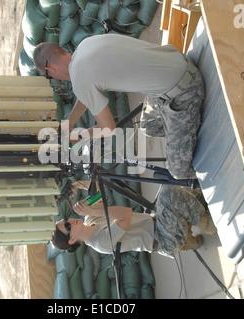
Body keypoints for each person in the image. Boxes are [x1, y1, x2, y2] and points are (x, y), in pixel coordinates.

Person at [33, 34, 205, 179]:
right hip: (179, 62)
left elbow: (108, 129)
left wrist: (77, 136)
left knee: (178, 172)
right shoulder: (86, 45)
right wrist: (69, 123)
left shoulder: (80, 81)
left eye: (49, 76)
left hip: (185, 90)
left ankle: (187, 128)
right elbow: (86, 95)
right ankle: (184, 132)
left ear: (50, 68)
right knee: (148, 126)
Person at [51, 181, 216, 257]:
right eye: (68, 226)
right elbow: (126, 215)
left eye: (67, 220)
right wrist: (92, 209)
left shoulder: (89, 219)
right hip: (164, 238)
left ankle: (190, 240)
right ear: (72, 239)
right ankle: (208, 225)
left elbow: (99, 191)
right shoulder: (100, 243)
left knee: (189, 191)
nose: (71, 220)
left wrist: (78, 184)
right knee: (168, 192)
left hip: (158, 222)